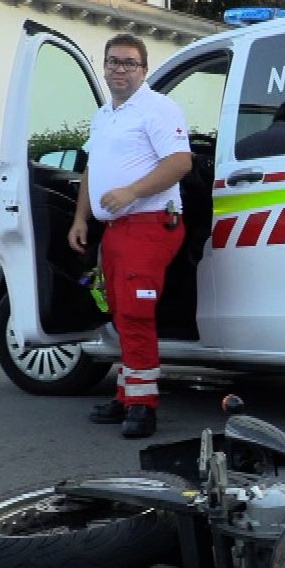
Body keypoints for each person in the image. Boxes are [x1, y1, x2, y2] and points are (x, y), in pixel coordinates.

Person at [68, 33, 192, 439]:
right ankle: (127, 395)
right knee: (121, 313)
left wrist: (131, 192)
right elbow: (92, 169)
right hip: (116, 229)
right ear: (104, 66)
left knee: (136, 312)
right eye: (113, 62)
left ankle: (143, 405)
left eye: (129, 63)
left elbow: (180, 162)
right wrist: (81, 218)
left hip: (151, 221)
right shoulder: (105, 115)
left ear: (143, 69)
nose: (120, 69)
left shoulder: (157, 108)